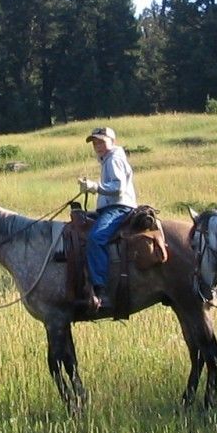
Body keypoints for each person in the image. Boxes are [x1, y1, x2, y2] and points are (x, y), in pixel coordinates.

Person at [77, 126, 136, 312]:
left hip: (119, 207)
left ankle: (102, 290)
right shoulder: (107, 160)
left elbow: (118, 187)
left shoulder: (114, 159)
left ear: (113, 141)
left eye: (101, 141)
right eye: (95, 142)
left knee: (96, 238)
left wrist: (95, 187)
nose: (97, 145)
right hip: (110, 208)